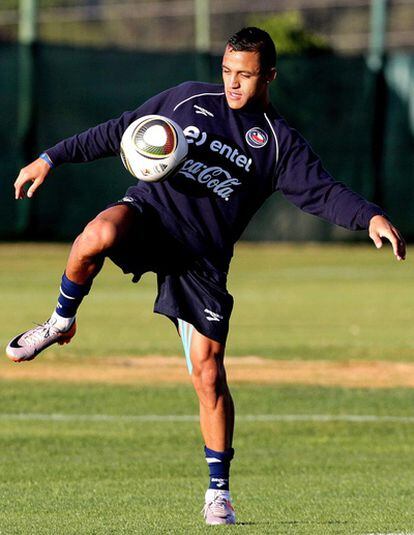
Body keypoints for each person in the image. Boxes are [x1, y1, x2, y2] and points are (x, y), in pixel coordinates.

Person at [6, 27, 406, 525]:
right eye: (227, 71)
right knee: (96, 235)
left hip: (201, 260)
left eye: (246, 74)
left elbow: (323, 192)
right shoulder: (188, 100)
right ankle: (60, 322)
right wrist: (51, 157)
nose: (234, 83)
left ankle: (218, 493)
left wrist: (368, 216)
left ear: (270, 77)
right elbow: (119, 130)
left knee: (208, 374)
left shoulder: (278, 144)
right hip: (150, 217)